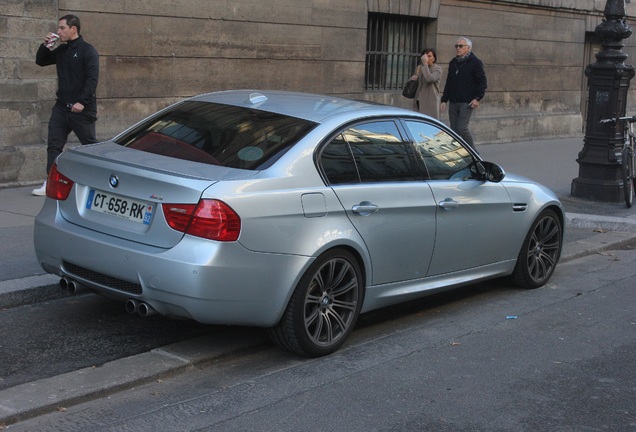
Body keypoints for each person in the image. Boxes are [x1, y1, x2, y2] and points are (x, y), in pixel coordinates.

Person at [32, 14, 99, 196]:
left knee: (90, 146)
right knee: (54, 146)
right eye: (58, 28)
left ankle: (99, 182)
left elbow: (92, 80)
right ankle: (50, 183)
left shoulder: (87, 51)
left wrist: (81, 102)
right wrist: (46, 45)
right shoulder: (62, 51)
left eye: (62, 28)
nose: (58, 32)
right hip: (61, 108)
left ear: (73, 29)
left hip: (81, 110)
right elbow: (41, 61)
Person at [440, 37, 487, 151]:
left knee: (462, 128)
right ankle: (458, 153)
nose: (458, 48)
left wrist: (477, 98)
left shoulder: (475, 62)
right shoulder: (453, 62)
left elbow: (482, 81)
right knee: (454, 131)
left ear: (468, 48)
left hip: (467, 102)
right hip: (454, 101)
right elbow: (449, 82)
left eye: (461, 46)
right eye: (456, 46)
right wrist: (444, 99)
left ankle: (473, 152)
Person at [410, 48, 443, 119]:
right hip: (419, 99)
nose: (426, 58)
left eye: (429, 56)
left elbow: (430, 79)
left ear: (434, 58)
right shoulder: (419, 68)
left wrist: (425, 65)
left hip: (430, 100)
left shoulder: (438, 69)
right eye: (425, 56)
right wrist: (413, 79)